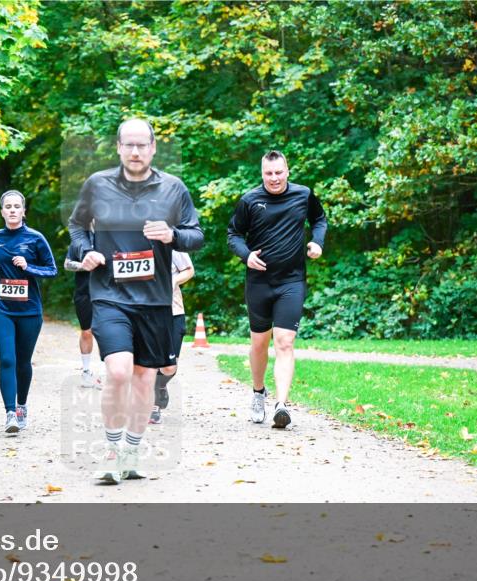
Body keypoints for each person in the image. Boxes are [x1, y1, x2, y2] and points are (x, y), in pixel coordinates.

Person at [68, 118, 204, 483]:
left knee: (144, 379)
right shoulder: (97, 184)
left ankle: (131, 451)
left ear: (153, 147)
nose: (135, 151)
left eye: (142, 145)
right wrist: (86, 251)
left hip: (155, 299)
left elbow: (196, 235)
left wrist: (172, 234)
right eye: (128, 145)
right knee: (117, 371)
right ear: (118, 147)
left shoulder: (173, 189)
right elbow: (77, 225)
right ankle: (111, 452)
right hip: (109, 294)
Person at [226, 150, 327, 429]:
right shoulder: (250, 200)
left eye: (279, 172)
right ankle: (258, 392)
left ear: (287, 171)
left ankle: (281, 405)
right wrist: (246, 255)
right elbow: (233, 234)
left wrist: (317, 242)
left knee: (285, 342)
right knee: (259, 343)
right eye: (269, 173)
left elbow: (319, 219)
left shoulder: (303, 195)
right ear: (262, 174)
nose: (274, 178)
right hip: (259, 282)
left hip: (291, 281)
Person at [0, 190, 57, 435]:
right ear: (2, 211)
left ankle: (22, 406)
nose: (13, 210)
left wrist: (29, 267)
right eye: (8, 206)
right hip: (0, 307)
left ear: (23, 211)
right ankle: (10, 414)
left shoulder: (35, 238)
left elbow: (52, 270)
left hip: (29, 310)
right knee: (7, 358)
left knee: (23, 362)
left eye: (17, 206)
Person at [149, 250, 194, 424]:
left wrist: (173, 280)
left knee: (169, 367)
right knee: (150, 362)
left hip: (173, 311)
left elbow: (189, 269)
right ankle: (153, 405)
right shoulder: (132, 240)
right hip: (146, 312)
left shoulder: (171, 242)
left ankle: (160, 385)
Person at [63, 227, 103, 390]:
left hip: (107, 293)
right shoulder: (79, 241)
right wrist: (83, 265)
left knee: (106, 331)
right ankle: (86, 371)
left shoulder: (110, 236)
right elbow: (67, 264)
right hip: (84, 292)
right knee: (87, 331)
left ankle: (103, 374)